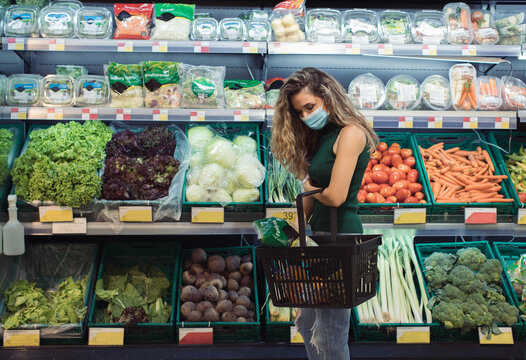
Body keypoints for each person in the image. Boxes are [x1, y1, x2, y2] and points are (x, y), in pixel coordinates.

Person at [270, 67, 378, 360]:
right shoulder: (323, 137)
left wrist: (308, 187)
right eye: (299, 112)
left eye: (310, 107)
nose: (305, 117)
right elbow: (311, 198)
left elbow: (335, 196)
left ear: (327, 97)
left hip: (339, 237)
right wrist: (287, 232)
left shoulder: (351, 133)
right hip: (318, 237)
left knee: (329, 334)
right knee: (307, 323)